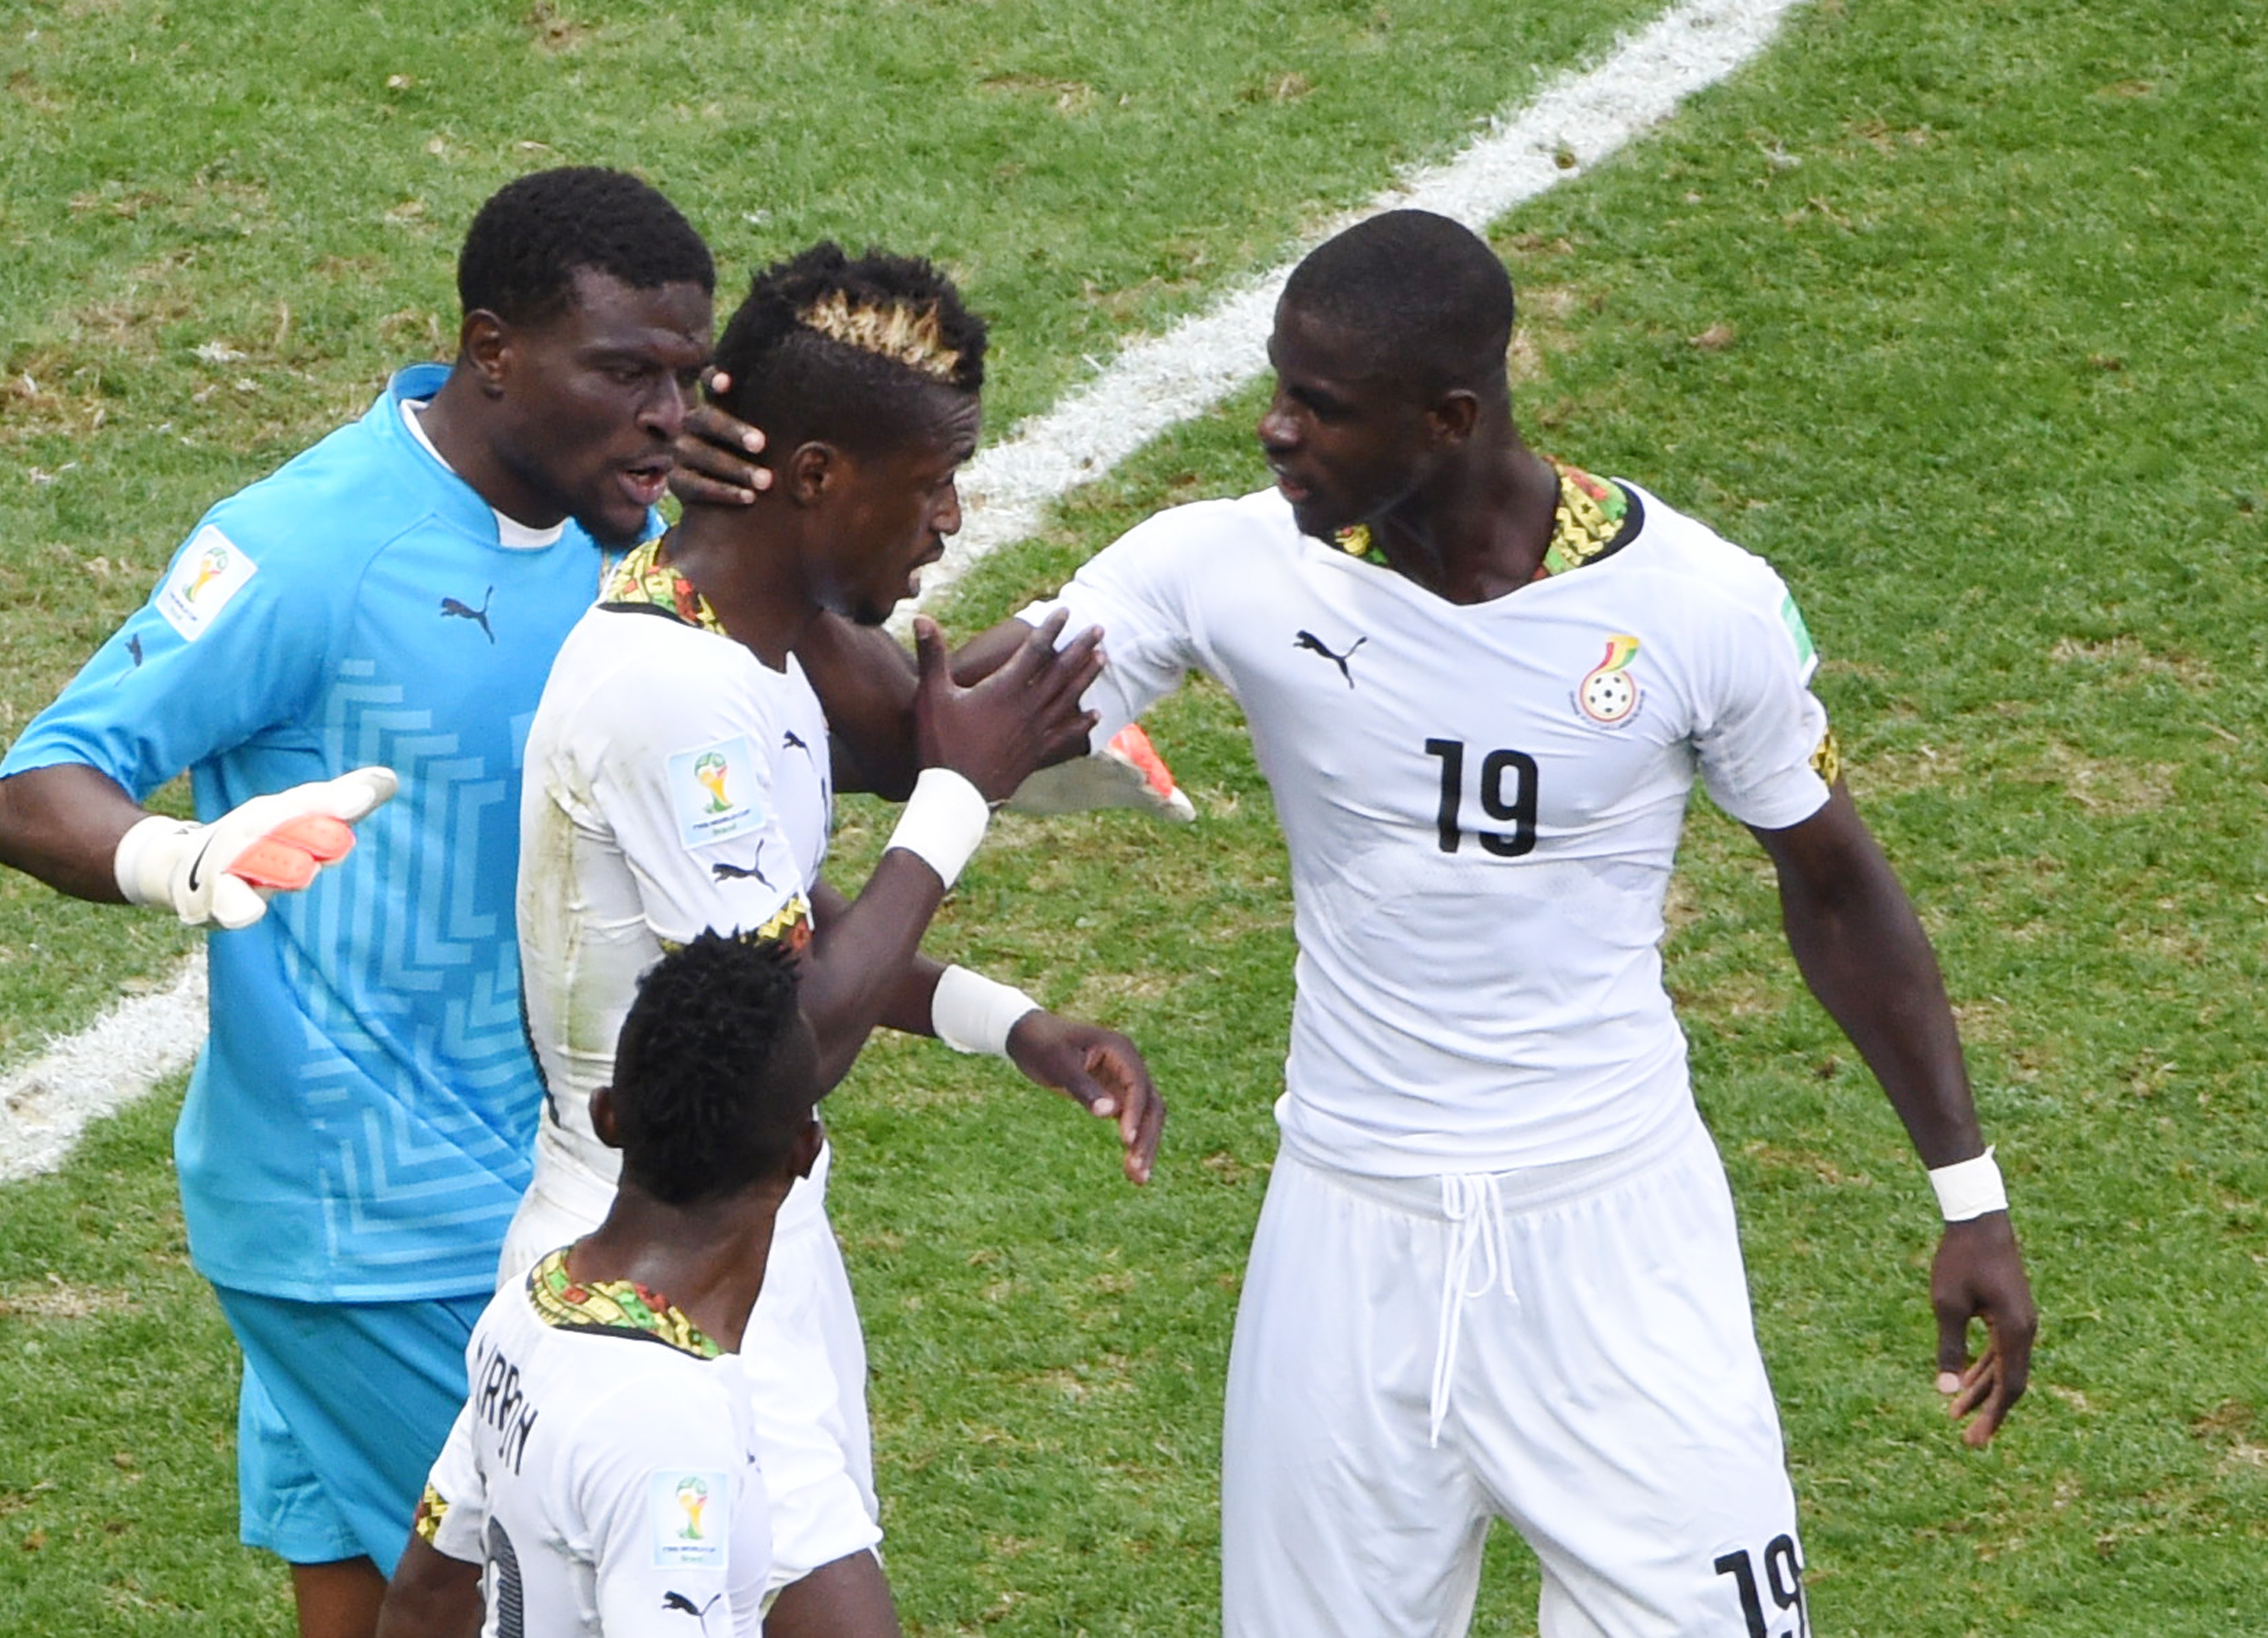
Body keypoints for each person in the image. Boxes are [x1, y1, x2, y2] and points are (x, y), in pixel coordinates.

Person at [683, 210, 2037, 1637]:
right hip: (1342, 1234)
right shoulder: (1228, 568)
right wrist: (728, 523)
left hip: (1614, 1235)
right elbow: (930, 717)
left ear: (1449, 419)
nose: (1271, 433)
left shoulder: (1698, 609)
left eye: (1317, 410)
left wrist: (1966, 1192)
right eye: (1277, 388)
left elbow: (1836, 889)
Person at [0, 167, 721, 1638]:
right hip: (369, 1222)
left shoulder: (614, 535)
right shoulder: (314, 543)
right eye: (624, 372)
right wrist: (180, 859)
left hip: (499, 1192)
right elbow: (39, 781)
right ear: (491, 349)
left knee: (369, 1610)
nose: (666, 414)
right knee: (546, 1605)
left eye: (687, 377)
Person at [504, 242, 1166, 1638]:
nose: (949, 520)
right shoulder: (668, 692)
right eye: (927, 484)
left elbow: (780, 939)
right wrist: (955, 794)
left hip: (737, 1255)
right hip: (653, 1280)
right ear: (813, 477)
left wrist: (1009, 1021)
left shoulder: (766, 644)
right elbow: (787, 1042)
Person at [379, 933, 819, 1638]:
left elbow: (426, 1594)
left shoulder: (526, 1309)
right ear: (806, 1150)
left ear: (607, 1116)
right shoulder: (672, 1418)